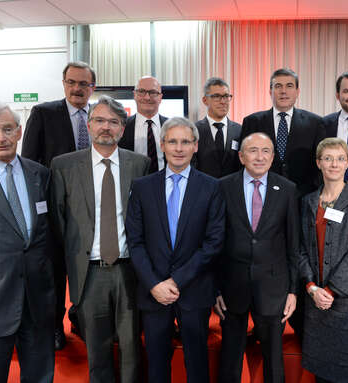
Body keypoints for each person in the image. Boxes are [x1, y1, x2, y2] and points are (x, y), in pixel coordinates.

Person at [50, 96, 149, 382]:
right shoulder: (63, 166)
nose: (106, 127)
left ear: (122, 128)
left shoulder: (139, 164)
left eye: (114, 122)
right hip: (88, 271)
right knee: (97, 347)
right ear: (89, 125)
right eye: (100, 120)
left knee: (131, 345)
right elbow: (58, 222)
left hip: (129, 269)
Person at [126, 117, 225, 383]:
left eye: (185, 142)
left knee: (197, 365)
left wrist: (176, 280)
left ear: (195, 146)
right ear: (162, 145)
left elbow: (213, 242)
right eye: (172, 141)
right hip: (154, 292)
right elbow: (135, 242)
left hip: (194, 289)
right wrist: (155, 284)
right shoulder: (142, 187)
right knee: (157, 365)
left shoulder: (212, 187)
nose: (178, 148)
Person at [0, 100, 55, 382]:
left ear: (19, 131)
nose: (1, 137)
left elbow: (48, 235)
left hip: (38, 298)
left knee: (40, 375)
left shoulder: (40, 174)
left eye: (7, 129)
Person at [22, 61, 97, 349]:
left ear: (93, 87)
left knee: (88, 268)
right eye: (72, 82)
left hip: (93, 206)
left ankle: (81, 318)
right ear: (64, 83)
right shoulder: (44, 113)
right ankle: (55, 327)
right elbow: (29, 161)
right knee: (55, 272)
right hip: (55, 207)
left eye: (84, 84)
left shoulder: (100, 116)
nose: (77, 88)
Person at [215, 132, 299, 383]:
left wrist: (293, 290)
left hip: (274, 287)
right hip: (232, 287)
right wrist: (216, 289)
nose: (259, 157)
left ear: (273, 157)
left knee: (274, 359)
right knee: (230, 358)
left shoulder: (287, 189)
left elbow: (293, 243)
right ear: (241, 156)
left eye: (265, 151)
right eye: (253, 150)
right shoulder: (222, 186)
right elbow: (216, 242)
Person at [298, 137, 348, 383]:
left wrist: (329, 291)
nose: (334, 164)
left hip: (345, 301)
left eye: (340, 159)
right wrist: (311, 287)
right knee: (320, 370)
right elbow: (300, 248)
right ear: (318, 163)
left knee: (343, 369)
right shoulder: (308, 201)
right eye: (328, 158)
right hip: (314, 300)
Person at [240, 68, 325, 196]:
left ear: (297, 92)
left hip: (303, 196)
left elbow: (321, 163)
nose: (283, 91)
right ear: (270, 91)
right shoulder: (252, 122)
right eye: (278, 86)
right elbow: (244, 162)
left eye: (289, 86)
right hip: (262, 195)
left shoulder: (315, 123)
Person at [118, 76, 168, 173]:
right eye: (141, 91)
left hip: (165, 184)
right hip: (131, 184)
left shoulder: (171, 127)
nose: (147, 97)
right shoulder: (121, 126)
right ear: (134, 95)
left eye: (153, 92)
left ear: (160, 97)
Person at [194, 77, 242, 178]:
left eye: (226, 96)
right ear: (205, 100)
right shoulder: (194, 130)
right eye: (217, 96)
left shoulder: (240, 130)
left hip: (232, 190)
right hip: (204, 189)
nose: (223, 101)